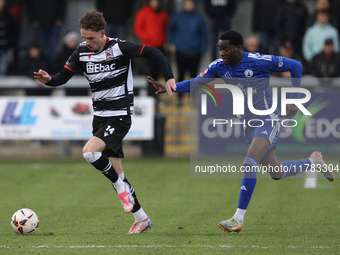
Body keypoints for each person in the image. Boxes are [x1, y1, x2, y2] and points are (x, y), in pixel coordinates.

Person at [147, 30, 334, 233]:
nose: (222, 53)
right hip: (249, 125)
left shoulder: (259, 61)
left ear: (238, 48)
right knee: (277, 173)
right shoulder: (219, 67)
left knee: (249, 161)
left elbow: (294, 65)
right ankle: (313, 161)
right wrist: (169, 88)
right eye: (220, 49)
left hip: (268, 120)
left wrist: (295, 97)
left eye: (226, 49)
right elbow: (195, 83)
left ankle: (238, 218)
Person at [34, 11, 176, 234]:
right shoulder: (81, 51)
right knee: (116, 172)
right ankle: (142, 218)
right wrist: (49, 80)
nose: (86, 42)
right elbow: (62, 77)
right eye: (84, 38)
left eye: (91, 38)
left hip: (119, 115)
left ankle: (122, 190)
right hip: (100, 117)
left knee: (90, 153)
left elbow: (154, 52)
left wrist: (168, 76)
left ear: (102, 33)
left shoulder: (119, 48)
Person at [167, 0, 208, 104]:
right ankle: (179, 98)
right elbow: (170, 30)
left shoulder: (199, 18)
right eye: (187, 3)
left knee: (194, 75)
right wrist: (171, 43)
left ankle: (192, 97)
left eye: (191, 3)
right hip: (181, 50)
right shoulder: (178, 17)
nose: (189, 6)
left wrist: (202, 48)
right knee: (180, 74)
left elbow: (204, 34)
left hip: (195, 51)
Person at [134, 0, 169, 94]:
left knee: (157, 72)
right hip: (147, 47)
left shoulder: (163, 14)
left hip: (159, 47)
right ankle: (148, 93)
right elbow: (138, 28)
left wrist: (163, 39)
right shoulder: (143, 12)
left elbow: (166, 28)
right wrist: (148, 37)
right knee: (148, 71)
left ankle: (155, 93)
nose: (155, 3)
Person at [27, 0, 66, 65]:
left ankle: (52, 67)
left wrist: (60, 18)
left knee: (54, 47)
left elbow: (62, 3)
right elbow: (29, 5)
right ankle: (42, 67)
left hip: (54, 22)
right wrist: (32, 19)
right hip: (39, 23)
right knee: (40, 47)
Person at [0, 0, 16, 76]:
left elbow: (12, 32)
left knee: (3, 68)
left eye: (2, 1)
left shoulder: (8, 16)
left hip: (5, 47)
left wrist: (10, 44)